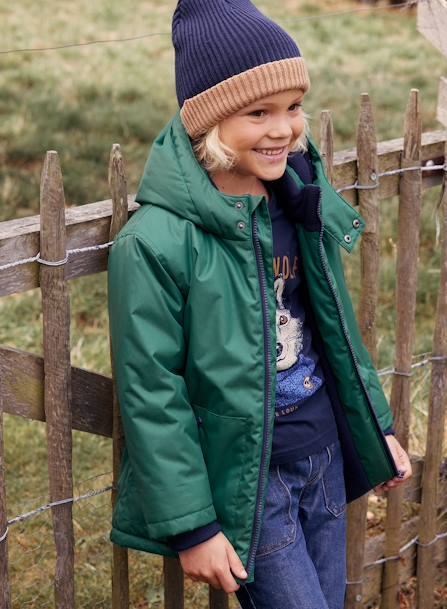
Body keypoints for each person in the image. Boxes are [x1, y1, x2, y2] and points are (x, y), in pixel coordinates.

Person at [107, 1, 412, 607]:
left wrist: (376, 429)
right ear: (209, 121)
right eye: (258, 112)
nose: (284, 129)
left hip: (323, 456)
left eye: (293, 107)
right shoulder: (157, 243)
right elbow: (151, 392)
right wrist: (192, 525)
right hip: (253, 480)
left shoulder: (296, 202)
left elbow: (335, 329)